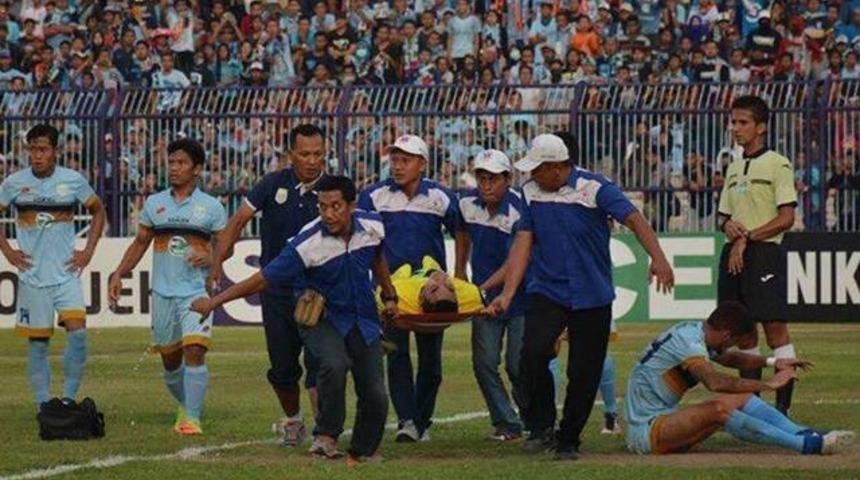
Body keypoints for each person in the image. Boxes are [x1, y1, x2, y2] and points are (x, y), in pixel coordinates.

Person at [487, 133, 675, 460]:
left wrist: (657, 258)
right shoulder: (530, 192)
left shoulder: (596, 188)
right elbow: (523, 241)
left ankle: (568, 439)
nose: (531, 175)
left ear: (557, 167)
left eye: (537, 169)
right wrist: (507, 293)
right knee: (530, 355)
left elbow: (634, 218)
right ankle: (542, 427)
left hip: (592, 293)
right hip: (547, 289)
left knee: (584, 371)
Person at [191, 176, 397, 465]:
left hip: (363, 319)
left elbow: (377, 258)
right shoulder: (307, 242)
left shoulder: (373, 225)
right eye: (322, 207)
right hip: (321, 319)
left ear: (351, 206)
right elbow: (261, 279)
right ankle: (326, 437)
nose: (328, 214)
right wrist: (214, 302)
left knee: (375, 390)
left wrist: (389, 294)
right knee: (334, 364)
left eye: (335, 206)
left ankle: (364, 449)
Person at [209, 124, 326, 446]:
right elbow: (238, 221)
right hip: (276, 292)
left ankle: (325, 431)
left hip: (319, 292)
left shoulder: (333, 189)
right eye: (305, 154)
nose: (312, 161)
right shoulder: (272, 184)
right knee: (282, 367)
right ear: (291, 154)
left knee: (321, 364)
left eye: (318, 154)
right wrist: (218, 261)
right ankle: (293, 420)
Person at [624, 301, 855, 455]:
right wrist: (768, 384)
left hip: (664, 422)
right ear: (726, 335)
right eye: (734, 342)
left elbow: (731, 359)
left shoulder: (698, 333)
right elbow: (715, 382)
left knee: (742, 398)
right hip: (646, 432)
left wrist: (773, 362)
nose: (730, 347)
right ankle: (806, 445)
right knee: (719, 410)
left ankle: (801, 431)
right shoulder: (689, 343)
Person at [108, 138, 227, 436]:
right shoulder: (154, 203)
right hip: (162, 293)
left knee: (195, 351)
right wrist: (119, 273)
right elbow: (140, 243)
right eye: (171, 162)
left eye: (181, 162)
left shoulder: (212, 207)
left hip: (196, 293)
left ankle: (192, 418)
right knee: (171, 363)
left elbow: (226, 247)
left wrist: (212, 257)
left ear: (196, 169)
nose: (174, 167)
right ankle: (186, 404)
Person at [358, 134, 463, 442]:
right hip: (391, 292)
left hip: (432, 293)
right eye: (395, 160)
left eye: (405, 160)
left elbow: (461, 231)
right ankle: (407, 420)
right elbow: (364, 239)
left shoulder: (441, 197)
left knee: (431, 360)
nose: (398, 166)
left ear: (422, 164)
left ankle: (422, 420)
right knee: (397, 355)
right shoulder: (374, 196)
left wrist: (458, 274)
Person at [0, 124, 106, 409]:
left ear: (55, 151)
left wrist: (88, 251)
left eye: (43, 149)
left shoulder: (73, 180)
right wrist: (7, 250)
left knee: (78, 335)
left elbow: (98, 211)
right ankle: (44, 406)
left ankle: (68, 399)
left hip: (66, 275)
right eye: (33, 149)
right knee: (38, 345)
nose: (37, 155)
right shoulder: (14, 183)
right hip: (32, 277)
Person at [717, 95, 799, 415]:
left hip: (764, 254)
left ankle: (783, 409)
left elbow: (786, 218)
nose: (735, 128)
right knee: (743, 332)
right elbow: (722, 216)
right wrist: (728, 227)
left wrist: (748, 237)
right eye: (733, 122)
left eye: (743, 122)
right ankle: (753, 408)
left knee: (775, 329)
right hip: (733, 255)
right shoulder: (734, 167)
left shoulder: (778, 164)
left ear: (761, 127)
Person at [454, 149, 529, 441]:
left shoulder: (521, 209)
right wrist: (459, 271)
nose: (486, 185)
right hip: (483, 297)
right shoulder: (466, 204)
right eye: (481, 178)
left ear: (507, 179)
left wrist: (480, 288)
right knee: (484, 363)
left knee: (517, 365)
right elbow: (462, 234)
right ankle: (506, 422)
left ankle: (533, 415)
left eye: (493, 179)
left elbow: (514, 262)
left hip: (521, 297)